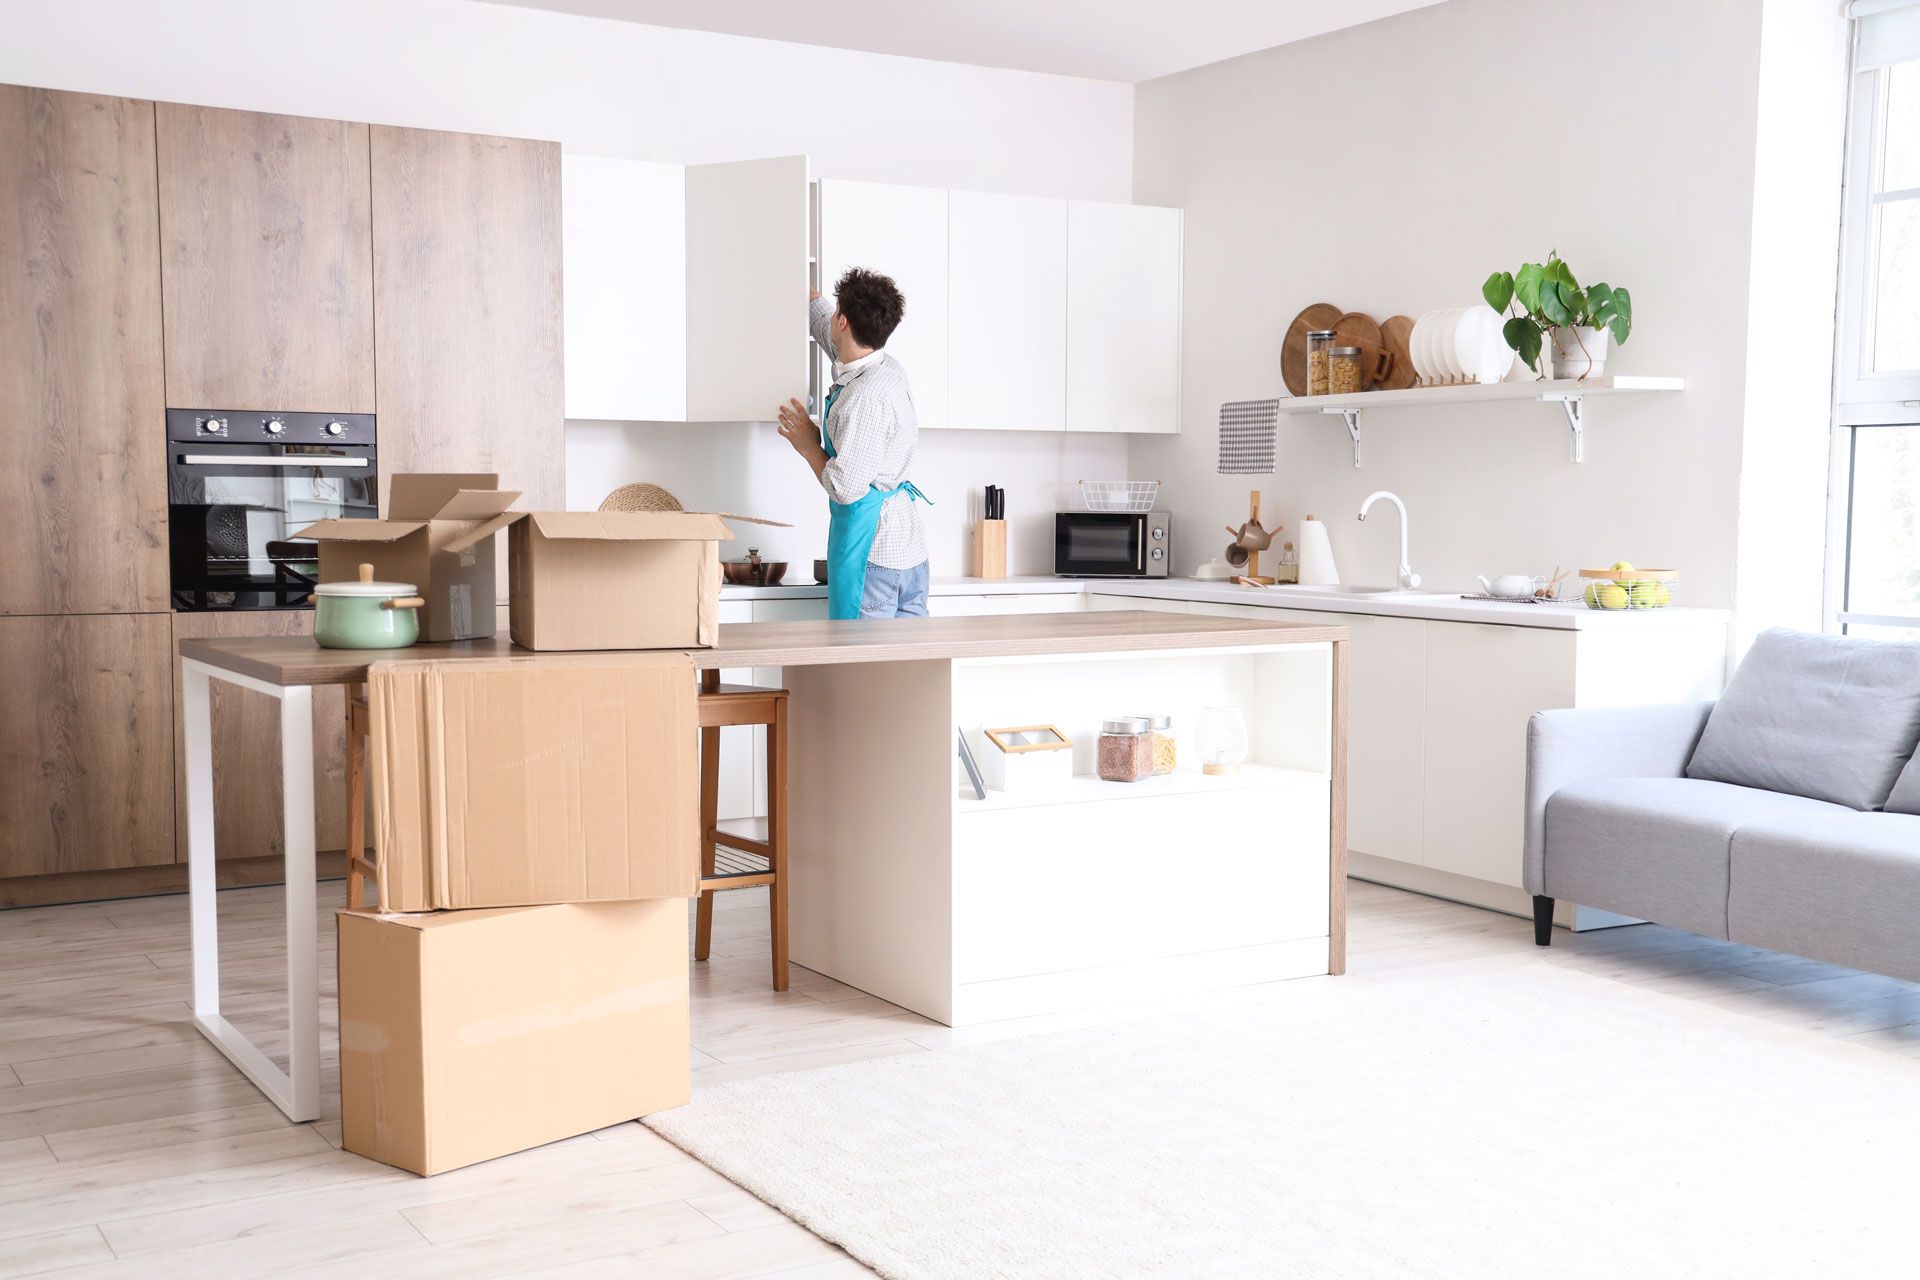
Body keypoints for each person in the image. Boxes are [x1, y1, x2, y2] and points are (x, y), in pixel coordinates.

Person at [776, 268, 930, 620]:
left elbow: (845, 488)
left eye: (834, 314)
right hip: (909, 553)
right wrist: (807, 292)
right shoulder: (886, 367)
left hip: (873, 560)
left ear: (843, 321)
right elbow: (833, 339)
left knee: (862, 670)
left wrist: (807, 444)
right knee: (909, 669)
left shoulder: (862, 396)